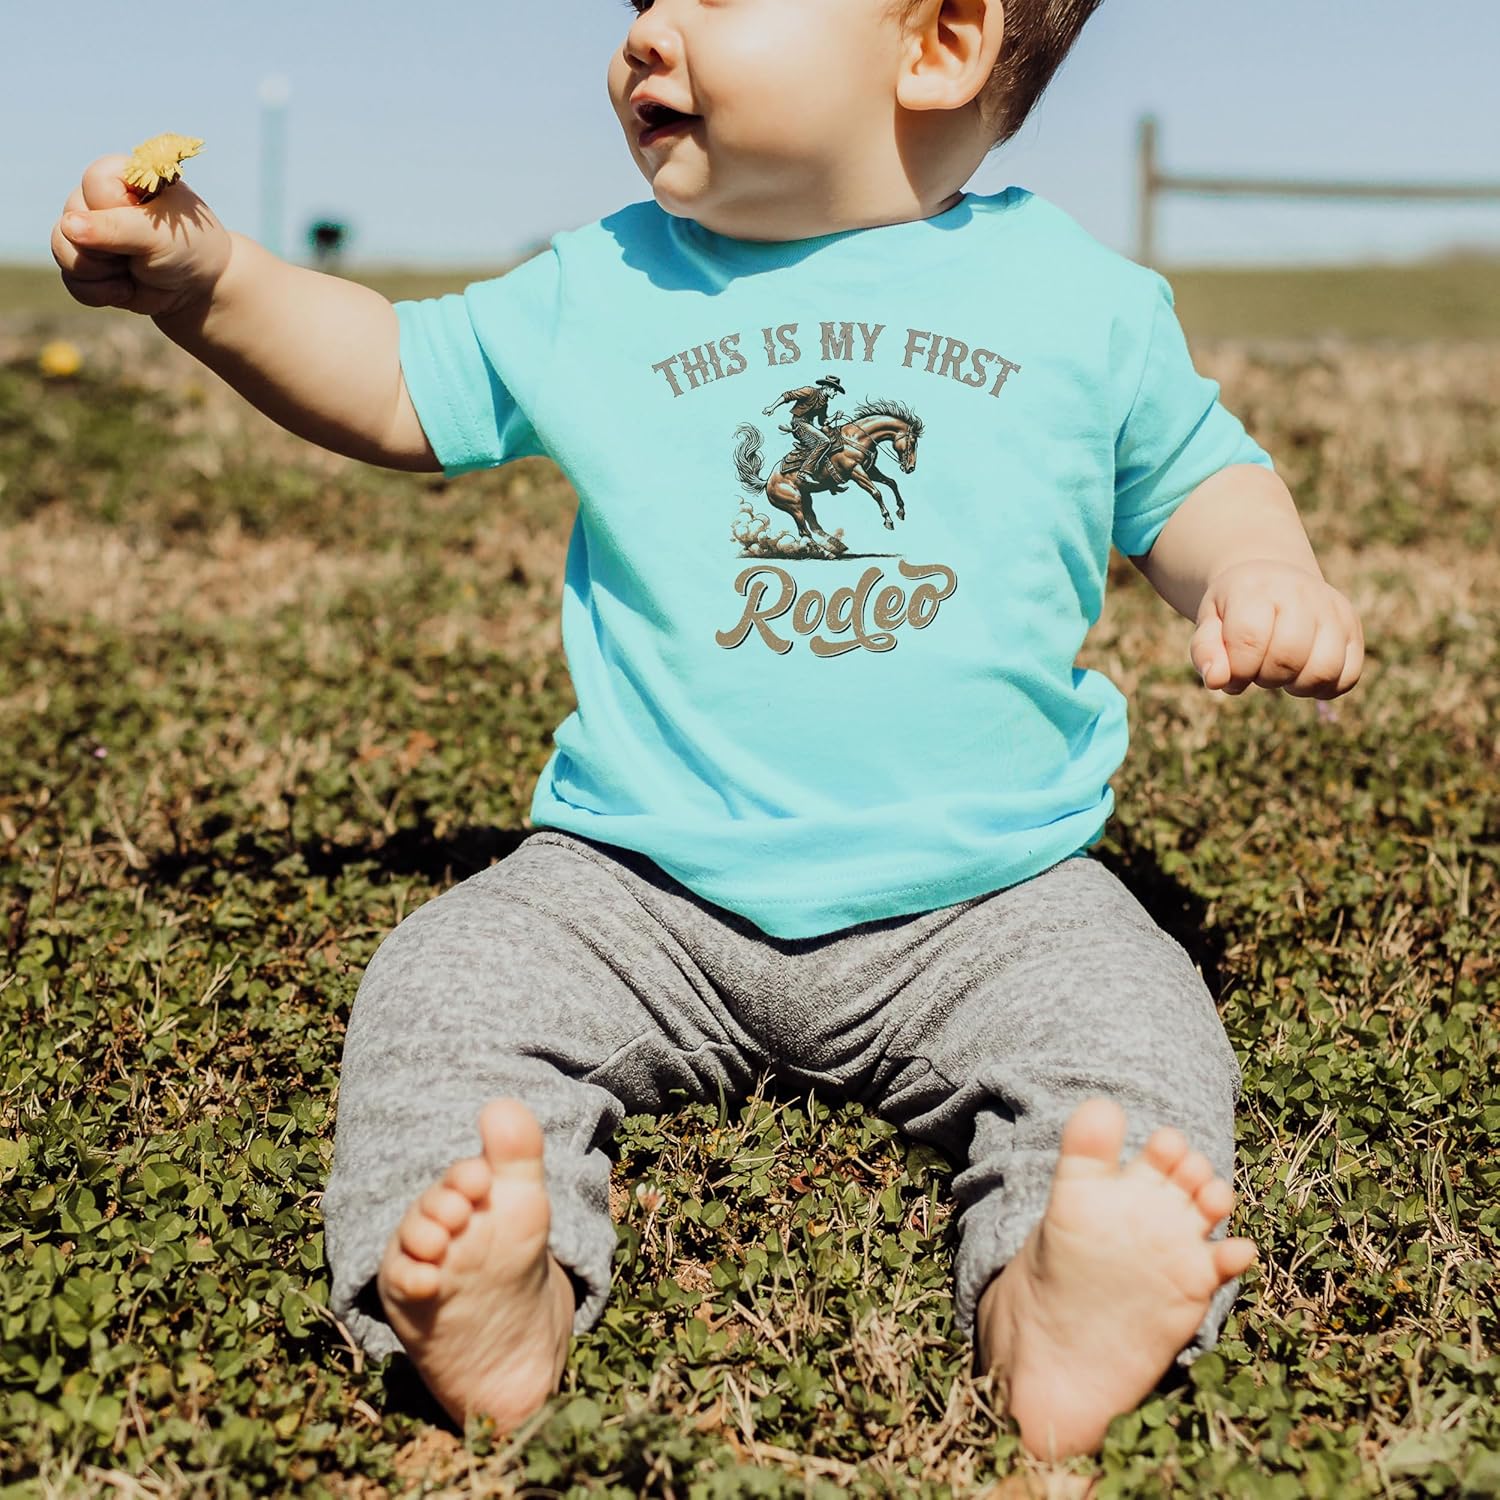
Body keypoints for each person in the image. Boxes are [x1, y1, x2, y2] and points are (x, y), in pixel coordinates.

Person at [51, 0, 1365, 1461]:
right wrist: (209, 278)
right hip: (637, 886)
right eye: (635, 3)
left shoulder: (1082, 300)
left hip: (998, 894)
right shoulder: (608, 280)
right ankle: (505, 1299)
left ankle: (1058, 1306)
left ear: (937, 41)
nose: (645, 33)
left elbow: (1200, 481)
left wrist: (1262, 570)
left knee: (1136, 1032)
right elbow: (395, 380)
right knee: (448, 985)